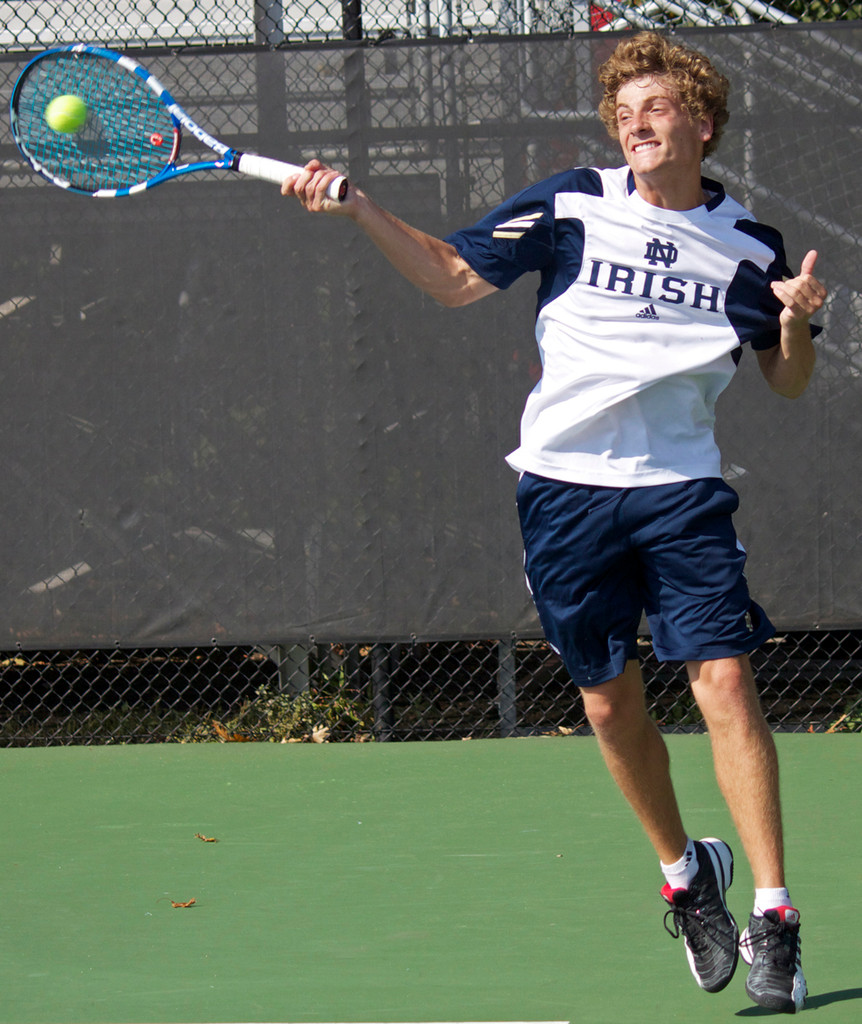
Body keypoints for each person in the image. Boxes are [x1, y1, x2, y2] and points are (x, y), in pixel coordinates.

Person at [282, 31, 826, 1014]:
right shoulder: (572, 203)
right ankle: (685, 875)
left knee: (724, 680)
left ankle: (775, 916)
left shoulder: (752, 247)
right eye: (622, 113)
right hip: (564, 491)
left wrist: (792, 324)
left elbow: (786, 381)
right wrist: (359, 205)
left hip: (681, 490)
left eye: (654, 107)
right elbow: (451, 275)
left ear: (703, 123)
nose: (634, 123)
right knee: (609, 706)